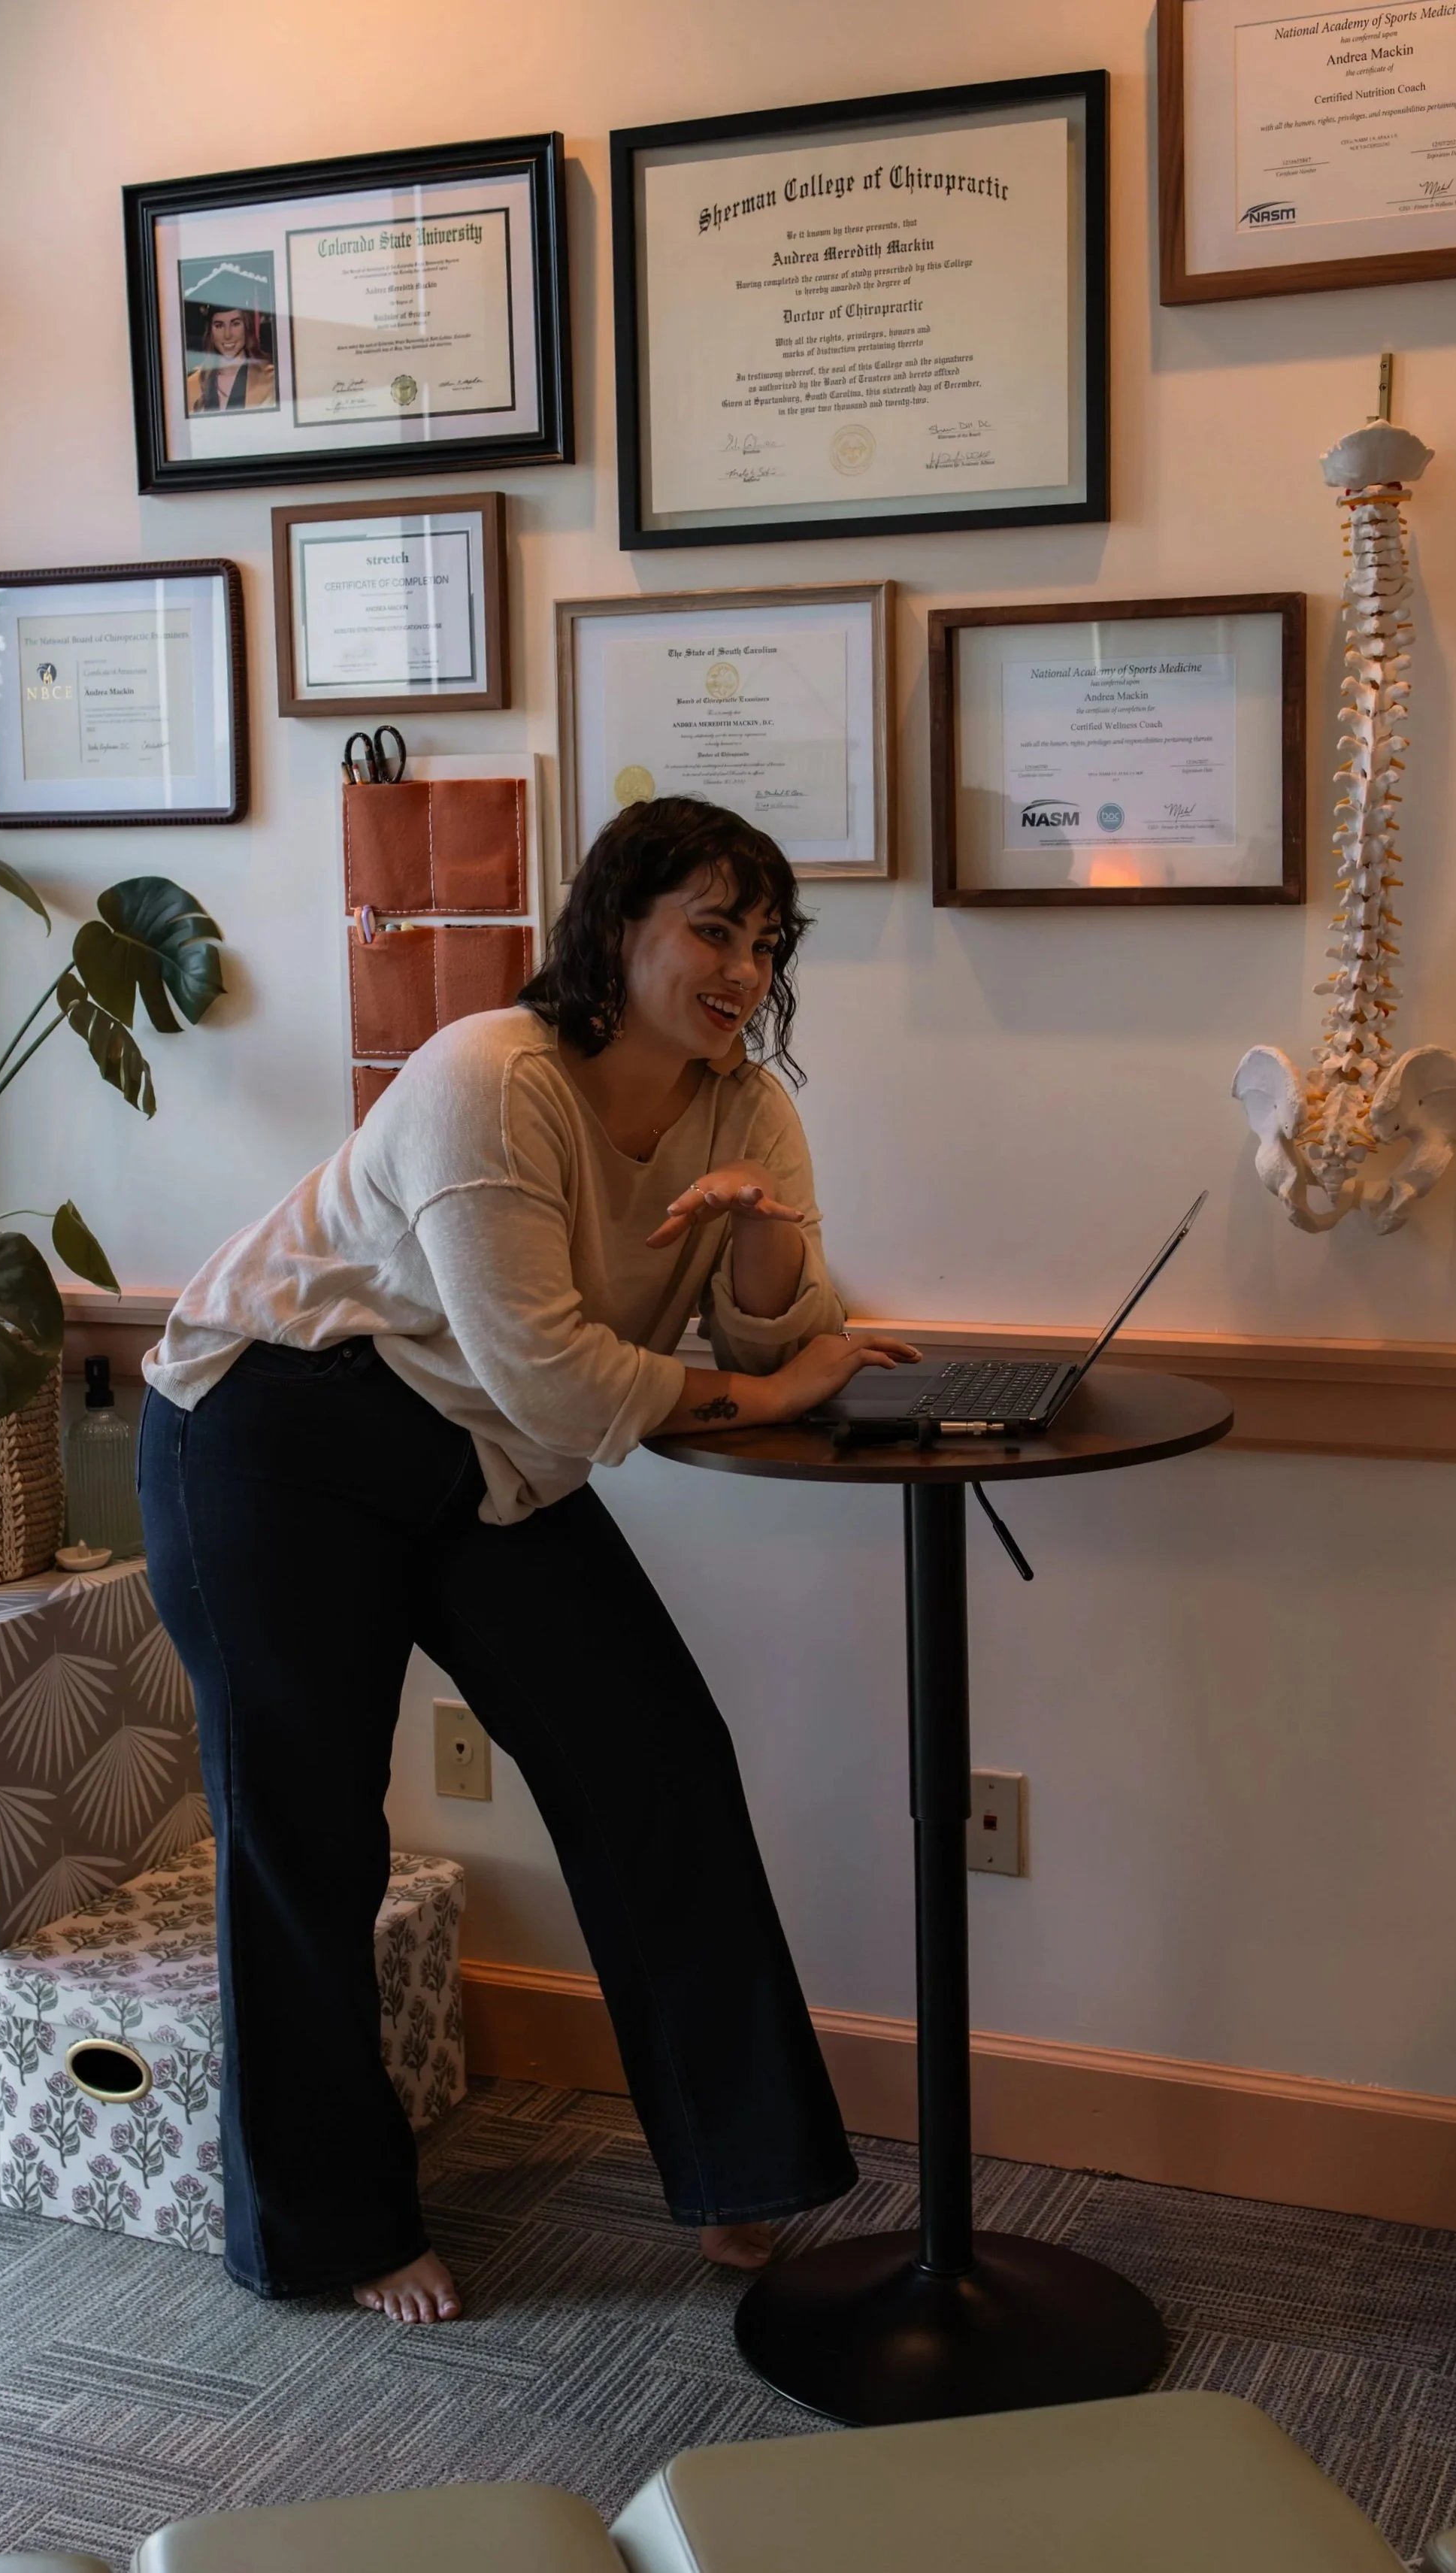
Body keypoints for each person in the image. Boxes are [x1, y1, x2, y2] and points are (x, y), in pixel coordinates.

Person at [138, 796, 916, 2325]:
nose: (741, 969)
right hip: (277, 1422)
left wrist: (762, 1255)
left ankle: (739, 2160)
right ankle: (332, 2231)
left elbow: (777, 1324)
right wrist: (767, 1391)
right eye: (711, 927)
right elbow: (561, 1374)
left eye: (765, 944)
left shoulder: (743, 1103)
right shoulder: (487, 1076)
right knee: (308, 1833)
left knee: (657, 1755)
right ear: (616, 921)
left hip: (476, 1451)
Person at [184, 302, 277, 413]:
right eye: (219, 325)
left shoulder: (272, 381)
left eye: (235, 324)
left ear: (247, 326)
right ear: (211, 332)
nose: (227, 335)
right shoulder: (191, 386)